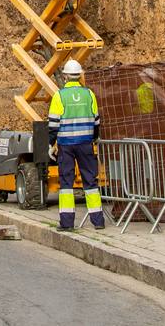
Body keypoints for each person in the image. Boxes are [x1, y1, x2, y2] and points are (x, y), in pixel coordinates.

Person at [47, 59, 105, 231]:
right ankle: (98, 221)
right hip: (86, 143)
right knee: (91, 181)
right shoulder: (89, 94)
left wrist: (51, 144)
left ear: (65, 76)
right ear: (80, 76)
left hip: (66, 145)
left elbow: (53, 124)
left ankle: (67, 223)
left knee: (66, 183)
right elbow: (96, 121)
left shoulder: (59, 96)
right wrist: (93, 138)